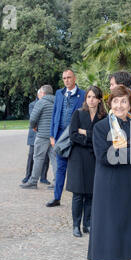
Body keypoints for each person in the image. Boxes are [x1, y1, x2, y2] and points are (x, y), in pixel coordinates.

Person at [88, 85, 131, 260]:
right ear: (110, 104)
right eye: (116, 101)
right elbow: (104, 156)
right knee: (110, 229)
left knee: (126, 225)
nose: (120, 105)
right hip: (109, 185)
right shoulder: (102, 127)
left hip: (129, 183)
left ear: (130, 103)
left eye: (124, 101)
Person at [66, 86, 106, 238]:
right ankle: (76, 225)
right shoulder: (78, 113)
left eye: (94, 97)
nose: (91, 100)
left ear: (99, 99)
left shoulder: (104, 116)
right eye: (89, 97)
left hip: (94, 158)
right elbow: (73, 134)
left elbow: (102, 137)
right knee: (78, 194)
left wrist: (86, 133)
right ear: (86, 99)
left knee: (90, 193)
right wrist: (90, 137)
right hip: (77, 158)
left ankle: (87, 224)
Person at [46, 69, 86, 207]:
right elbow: (55, 114)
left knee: (76, 168)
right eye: (64, 78)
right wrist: (52, 135)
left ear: (74, 78)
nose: (67, 80)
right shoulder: (59, 94)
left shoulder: (83, 95)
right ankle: (57, 198)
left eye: (69, 77)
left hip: (75, 136)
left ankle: (81, 197)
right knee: (60, 168)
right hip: (60, 137)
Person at [20, 85, 57, 189]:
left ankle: (33, 181)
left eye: (40, 93)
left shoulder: (41, 102)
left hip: (42, 135)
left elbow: (32, 119)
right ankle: (56, 182)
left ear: (43, 93)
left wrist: (34, 127)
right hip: (53, 136)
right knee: (54, 159)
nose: (38, 94)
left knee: (38, 158)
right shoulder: (57, 102)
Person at [22, 97, 51, 185]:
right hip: (34, 133)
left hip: (44, 133)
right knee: (31, 155)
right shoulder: (32, 104)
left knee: (46, 157)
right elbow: (33, 117)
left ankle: (43, 177)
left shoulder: (49, 102)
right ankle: (28, 175)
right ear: (39, 94)